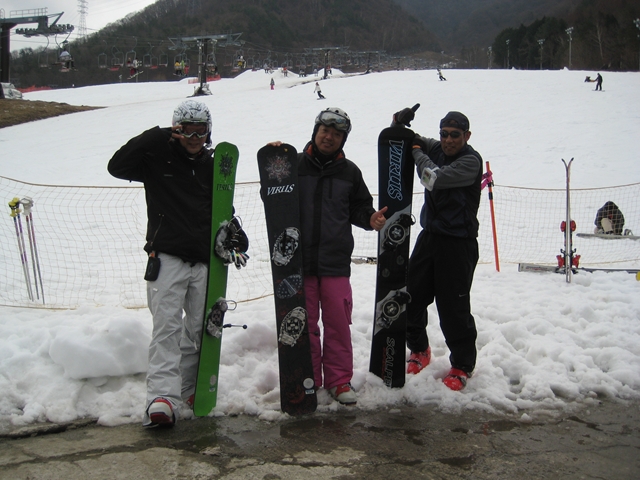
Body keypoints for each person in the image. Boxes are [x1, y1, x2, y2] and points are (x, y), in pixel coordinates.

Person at [107, 100, 249, 427]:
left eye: (201, 131)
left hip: (205, 260)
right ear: (176, 129)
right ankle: (162, 398)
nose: (194, 137)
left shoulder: (214, 165)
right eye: (187, 130)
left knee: (201, 329)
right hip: (167, 256)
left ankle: (189, 389)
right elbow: (117, 166)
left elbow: (222, 207)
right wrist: (158, 135)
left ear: (209, 132)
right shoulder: (156, 159)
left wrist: (235, 234)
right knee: (167, 328)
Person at [267, 108, 387, 405]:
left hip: (335, 262)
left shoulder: (350, 172)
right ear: (315, 132)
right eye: (325, 131)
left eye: (336, 134)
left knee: (337, 324)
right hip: (299, 262)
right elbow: (272, 194)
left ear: (343, 139)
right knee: (304, 324)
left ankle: (339, 381)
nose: (329, 137)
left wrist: (370, 218)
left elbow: (359, 208)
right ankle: (308, 380)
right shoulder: (294, 165)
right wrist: (274, 160)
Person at [392, 108, 482, 391]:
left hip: (458, 243)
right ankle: (419, 349)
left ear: (467, 136)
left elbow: (434, 179)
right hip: (429, 238)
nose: (448, 140)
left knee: (453, 307)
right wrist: (399, 123)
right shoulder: (436, 148)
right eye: (444, 134)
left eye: (455, 135)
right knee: (410, 297)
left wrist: (418, 153)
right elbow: (410, 139)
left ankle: (462, 365)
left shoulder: (470, 161)